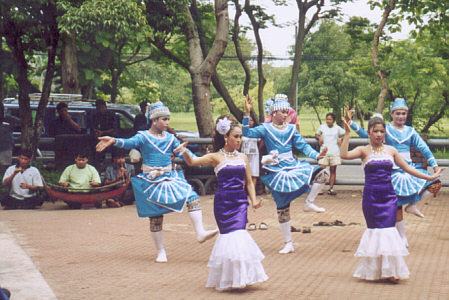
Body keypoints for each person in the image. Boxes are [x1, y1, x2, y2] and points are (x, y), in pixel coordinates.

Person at [96, 101, 218, 263]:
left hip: (170, 177)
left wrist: (205, 159)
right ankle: (161, 251)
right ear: (154, 120)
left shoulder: (170, 138)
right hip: (151, 180)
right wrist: (113, 140)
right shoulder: (143, 136)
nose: (167, 123)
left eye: (168, 119)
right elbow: (129, 143)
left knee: (192, 197)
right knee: (155, 216)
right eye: (164, 119)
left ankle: (200, 231)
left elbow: (186, 154)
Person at [340, 115, 443, 283]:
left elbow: (408, 168)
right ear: (369, 133)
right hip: (371, 198)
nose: (379, 135)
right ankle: (374, 271)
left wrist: (430, 177)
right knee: (375, 232)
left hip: (389, 196)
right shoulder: (363, 150)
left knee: (389, 232)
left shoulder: (391, 151)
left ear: (385, 133)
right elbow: (343, 154)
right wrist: (346, 133)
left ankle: (391, 271)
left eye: (382, 131)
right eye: (375, 131)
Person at [176, 115, 267, 290]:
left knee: (240, 235)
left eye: (241, 137)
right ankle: (230, 278)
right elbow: (193, 162)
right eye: (236, 136)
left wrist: (253, 201)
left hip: (240, 202)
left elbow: (249, 181)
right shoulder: (215, 157)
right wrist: (184, 151)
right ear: (226, 137)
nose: (239, 140)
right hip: (223, 203)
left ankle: (242, 278)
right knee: (229, 239)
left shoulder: (243, 157)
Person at [345, 98, 441, 247]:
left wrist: (434, 166)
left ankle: (414, 205)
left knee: (435, 183)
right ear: (392, 114)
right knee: (396, 205)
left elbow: (424, 148)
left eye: (403, 113)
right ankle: (401, 236)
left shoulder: (411, 131)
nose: (401, 116)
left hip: (408, 167)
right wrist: (350, 124)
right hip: (391, 170)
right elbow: (366, 134)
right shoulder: (385, 130)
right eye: (398, 113)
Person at [243, 94, 328, 254]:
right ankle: (288, 242)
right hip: (276, 171)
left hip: (293, 166)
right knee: (282, 207)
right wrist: (247, 114)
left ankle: (309, 202)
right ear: (274, 113)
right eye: (282, 111)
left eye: (286, 111)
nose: (285, 114)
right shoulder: (265, 128)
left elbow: (302, 145)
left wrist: (316, 155)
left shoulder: (290, 129)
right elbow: (246, 134)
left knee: (323, 174)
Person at [315, 112, 345, 195]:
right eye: (327, 119)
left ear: (334, 120)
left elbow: (346, 134)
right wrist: (319, 138)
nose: (328, 121)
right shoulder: (322, 127)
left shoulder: (337, 128)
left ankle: (331, 188)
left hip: (334, 152)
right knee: (321, 170)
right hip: (324, 152)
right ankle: (319, 189)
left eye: (330, 119)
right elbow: (316, 134)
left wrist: (341, 139)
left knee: (333, 170)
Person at [0, 102, 14, 177]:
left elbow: (24, 126)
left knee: (6, 171)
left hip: (6, 149)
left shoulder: (9, 119)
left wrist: (15, 140)